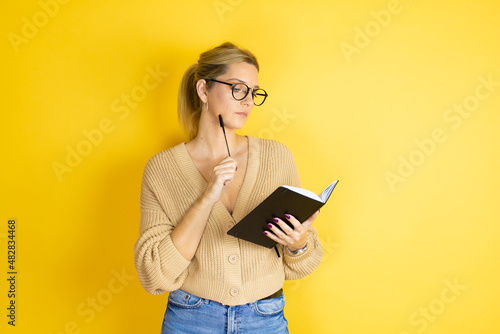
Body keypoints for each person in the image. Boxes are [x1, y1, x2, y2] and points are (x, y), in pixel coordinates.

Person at [134, 42, 323, 333]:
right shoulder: (162, 170)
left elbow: (299, 264)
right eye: (238, 88)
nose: (248, 101)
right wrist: (207, 197)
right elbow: (155, 275)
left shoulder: (277, 156)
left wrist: (298, 244)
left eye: (254, 92)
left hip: (265, 318)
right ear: (203, 91)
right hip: (191, 319)